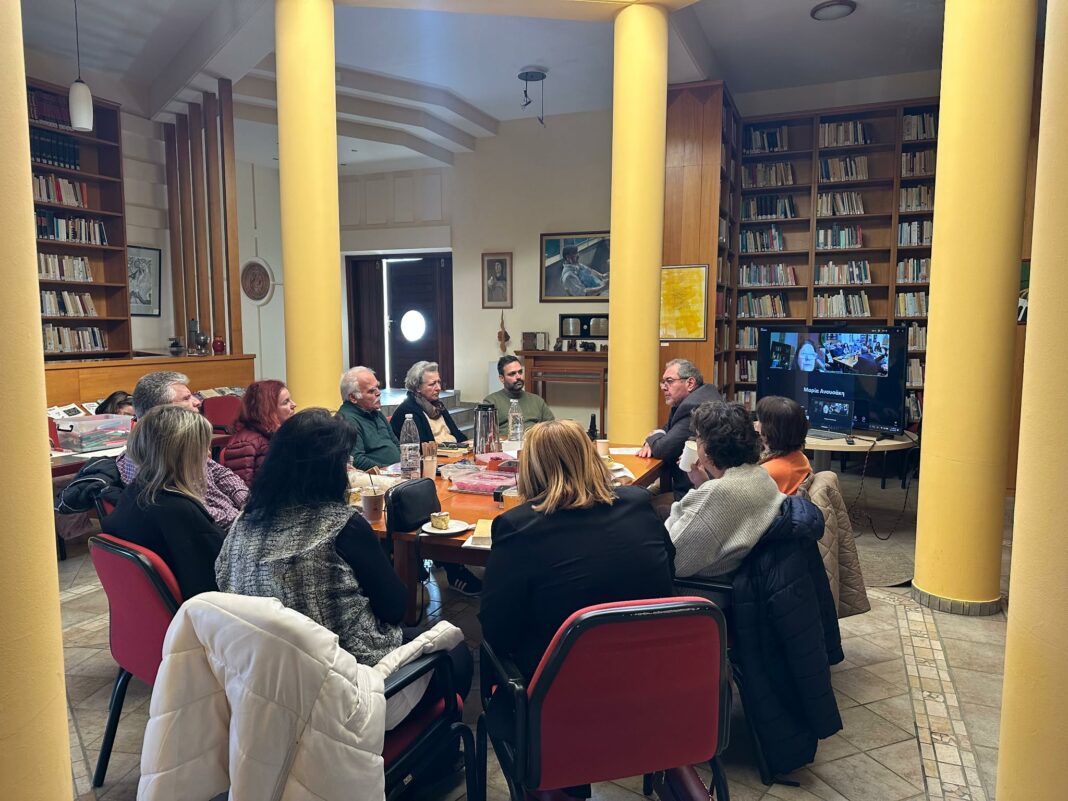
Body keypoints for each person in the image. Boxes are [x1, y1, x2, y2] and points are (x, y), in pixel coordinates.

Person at [216, 409, 473, 695]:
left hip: (262, 680)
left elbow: (221, 578)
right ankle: (432, 737)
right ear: (329, 470)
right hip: (350, 682)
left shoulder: (242, 523)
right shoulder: (341, 526)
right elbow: (396, 608)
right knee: (457, 653)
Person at [480, 419, 675, 678]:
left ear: (530, 469)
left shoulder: (519, 527)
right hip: (652, 668)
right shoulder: (638, 503)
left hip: (559, 682)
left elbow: (497, 631)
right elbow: (669, 571)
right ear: (591, 457)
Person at [102, 406, 225, 599]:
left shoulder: (134, 492)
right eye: (203, 448)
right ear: (185, 456)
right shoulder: (180, 511)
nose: (209, 455)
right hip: (200, 616)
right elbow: (220, 581)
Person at [667, 401, 786, 579]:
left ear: (707, 449)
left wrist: (691, 499)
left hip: (698, 594)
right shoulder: (761, 476)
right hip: (738, 584)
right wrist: (704, 484)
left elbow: (670, 560)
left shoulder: (717, 495)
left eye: (698, 437)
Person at [117, 371, 248, 528]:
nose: (197, 402)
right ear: (161, 411)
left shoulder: (179, 445)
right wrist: (245, 520)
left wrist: (247, 502)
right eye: (186, 398)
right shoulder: (148, 461)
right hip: (216, 535)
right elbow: (192, 514)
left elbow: (220, 474)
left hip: (235, 520)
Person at [637, 359, 722, 500]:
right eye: (663, 382)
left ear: (690, 383)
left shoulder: (694, 407)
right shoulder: (700, 396)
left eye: (669, 381)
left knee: (642, 506)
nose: (664, 387)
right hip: (698, 483)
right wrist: (657, 436)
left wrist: (651, 438)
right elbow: (670, 428)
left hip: (694, 491)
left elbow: (662, 448)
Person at [222, 380, 297, 486]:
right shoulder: (245, 444)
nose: (294, 405)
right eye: (286, 402)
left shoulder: (280, 435)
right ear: (267, 410)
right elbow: (242, 492)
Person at [336, 366, 400, 470]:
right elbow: (356, 460)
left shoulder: (376, 413)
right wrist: (389, 470)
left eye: (378, 387)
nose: (378, 393)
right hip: (377, 480)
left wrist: (404, 466)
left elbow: (396, 444)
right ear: (353, 398)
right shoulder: (346, 420)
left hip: (398, 473)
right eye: (371, 391)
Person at [390, 361, 468, 445]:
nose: (438, 388)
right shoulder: (408, 410)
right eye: (432, 384)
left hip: (455, 451)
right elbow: (422, 447)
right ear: (417, 387)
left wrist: (469, 444)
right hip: (436, 455)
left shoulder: (438, 406)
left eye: (439, 382)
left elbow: (457, 434)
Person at [481, 355, 554, 432]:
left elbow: (551, 429)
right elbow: (484, 434)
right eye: (512, 374)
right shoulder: (491, 402)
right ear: (502, 378)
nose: (518, 377)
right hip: (505, 442)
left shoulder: (537, 401)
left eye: (520, 372)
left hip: (532, 441)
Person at [756, 395, 812, 495]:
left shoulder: (766, 473)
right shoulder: (800, 457)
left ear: (771, 431)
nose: (756, 425)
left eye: (760, 421)